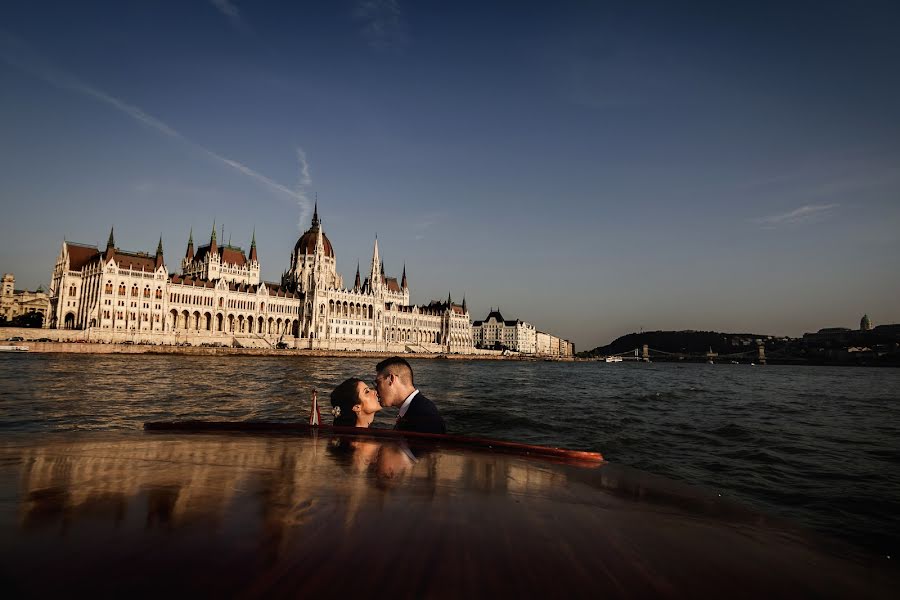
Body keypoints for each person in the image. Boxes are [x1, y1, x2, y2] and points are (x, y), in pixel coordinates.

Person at [373, 357, 446, 434]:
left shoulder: (423, 417)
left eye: (378, 383)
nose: (375, 389)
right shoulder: (419, 409)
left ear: (391, 379)